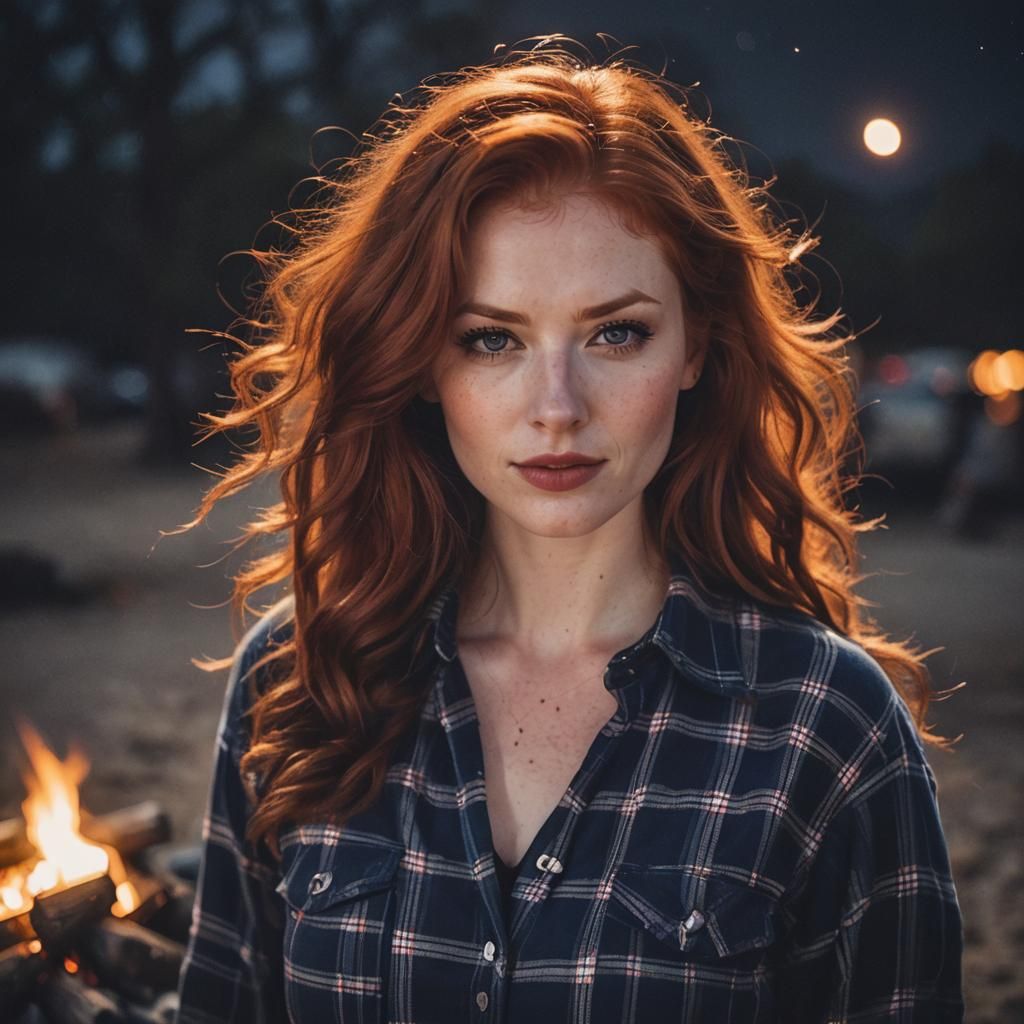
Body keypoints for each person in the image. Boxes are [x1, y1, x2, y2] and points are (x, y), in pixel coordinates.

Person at [173, 36, 964, 1024]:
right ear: (422, 363)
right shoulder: (298, 679)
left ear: (695, 345)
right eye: (490, 338)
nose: (557, 407)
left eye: (616, 332)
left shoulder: (827, 724)